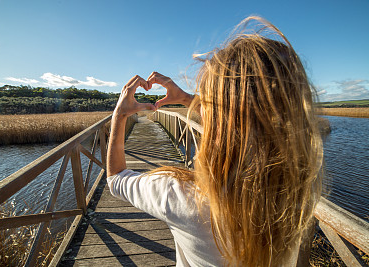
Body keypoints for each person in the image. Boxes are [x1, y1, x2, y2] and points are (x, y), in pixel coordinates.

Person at [107, 16, 323, 267]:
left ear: (216, 124)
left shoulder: (179, 197)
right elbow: (244, 123)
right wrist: (188, 99)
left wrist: (120, 115)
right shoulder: (297, 195)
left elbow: (116, 178)